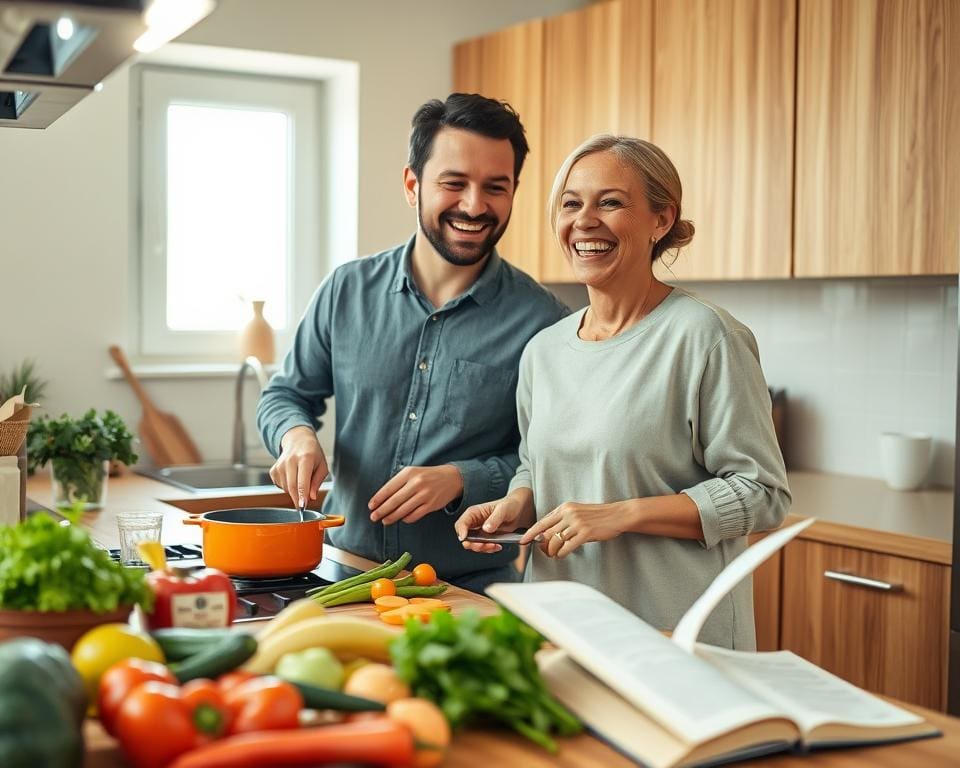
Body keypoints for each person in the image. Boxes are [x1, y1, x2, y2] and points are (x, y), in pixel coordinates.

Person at [454, 134, 790, 649]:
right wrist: (516, 504)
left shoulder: (706, 337)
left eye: (610, 202)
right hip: (558, 628)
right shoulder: (543, 350)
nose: (584, 220)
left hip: (673, 636)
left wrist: (620, 514)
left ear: (661, 220)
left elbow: (762, 494)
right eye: (571, 203)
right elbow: (536, 465)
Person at [257, 93, 569, 594]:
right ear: (412, 184)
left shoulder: (546, 321)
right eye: (454, 183)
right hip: (342, 571)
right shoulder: (346, 290)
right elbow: (286, 394)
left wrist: (464, 478)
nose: (474, 205)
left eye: (496, 187)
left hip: (466, 589)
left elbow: (555, 459)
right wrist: (295, 436)